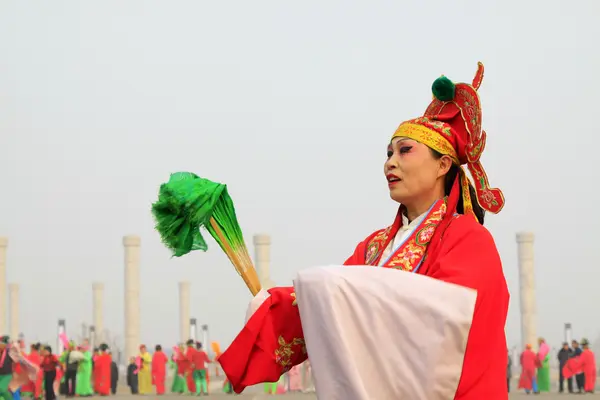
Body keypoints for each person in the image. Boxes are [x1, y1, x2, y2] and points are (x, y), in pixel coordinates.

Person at [218, 62, 509, 399]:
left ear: (443, 165)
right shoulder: (373, 247)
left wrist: (338, 288)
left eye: (404, 151)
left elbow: (453, 320)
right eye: (388, 153)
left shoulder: (468, 238)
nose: (390, 162)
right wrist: (276, 304)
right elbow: (330, 305)